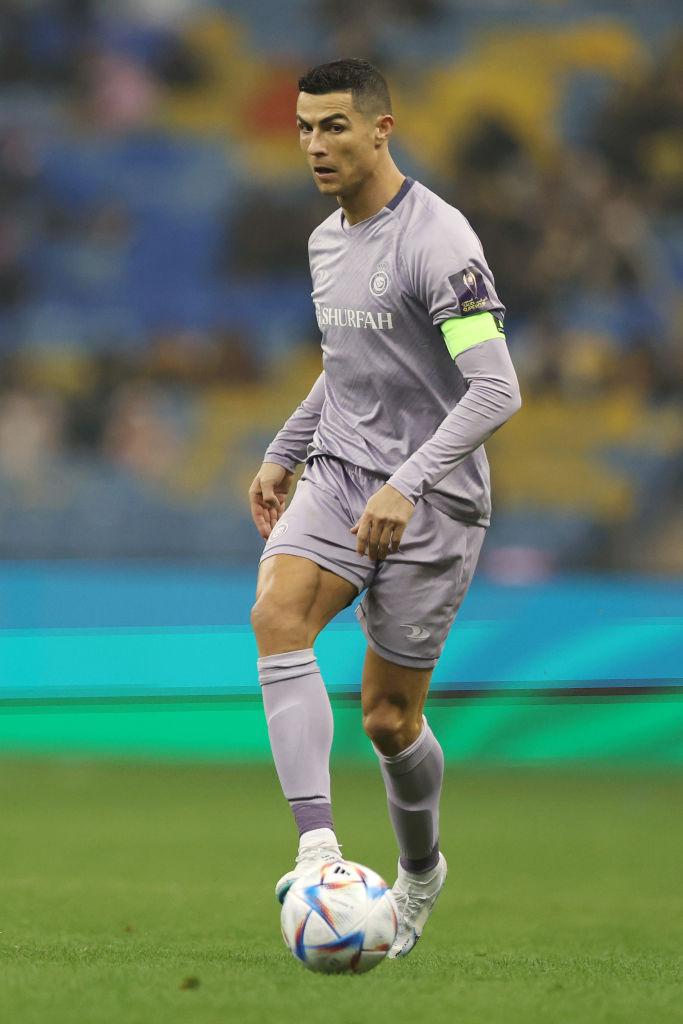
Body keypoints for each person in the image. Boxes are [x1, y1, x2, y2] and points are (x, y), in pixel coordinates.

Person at [248, 58, 521, 959]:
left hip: (432, 498)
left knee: (388, 720)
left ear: (380, 129)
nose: (314, 145)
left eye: (333, 126)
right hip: (339, 473)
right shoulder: (325, 240)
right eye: (303, 128)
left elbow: (496, 389)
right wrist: (286, 448)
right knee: (277, 615)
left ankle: (420, 872)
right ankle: (318, 850)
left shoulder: (439, 242)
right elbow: (347, 364)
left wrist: (409, 482)